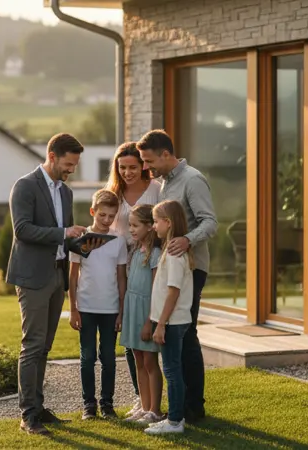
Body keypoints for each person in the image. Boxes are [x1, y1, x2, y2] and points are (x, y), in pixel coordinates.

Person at [7, 132, 102, 435]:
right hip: (33, 277)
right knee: (32, 345)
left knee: (45, 347)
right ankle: (27, 415)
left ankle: (38, 406)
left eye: (75, 165)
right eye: (69, 163)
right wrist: (63, 233)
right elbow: (22, 230)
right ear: (52, 155)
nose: (72, 169)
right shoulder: (24, 186)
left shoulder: (66, 193)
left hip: (56, 275)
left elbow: (67, 239)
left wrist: (86, 243)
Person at [137, 130, 217, 424]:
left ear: (166, 154)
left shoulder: (192, 179)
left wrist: (186, 240)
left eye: (149, 161)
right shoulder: (164, 184)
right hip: (173, 267)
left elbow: (210, 223)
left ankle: (193, 407)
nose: (147, 167)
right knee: (178, 337)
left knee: (186, 335)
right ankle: (183, 407)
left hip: (192, 269)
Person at [104, 141, 161, 417]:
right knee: (129, 335)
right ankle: (141, 397)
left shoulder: (156, 191)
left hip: (147, 260)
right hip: (122, 267)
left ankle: (152, 402)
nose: (127, 172)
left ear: (143, 166)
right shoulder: (113, 193)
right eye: (122, 167)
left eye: (133, 167)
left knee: (146, 347)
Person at [68, 189, 128, 420]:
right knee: (87, 357)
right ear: (92, 211)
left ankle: (107, 404)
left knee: (109, 358)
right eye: (102, 215)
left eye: (111, 216)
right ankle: (89, 406)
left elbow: (121, 277)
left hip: (111, 309)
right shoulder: (80, 241)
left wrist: (121, 311)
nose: (106, 220)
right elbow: (73, 277)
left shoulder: (118, 241)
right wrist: (73, 309)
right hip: (85, 308)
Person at [144, 200, 194, 435]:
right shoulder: (170, 250)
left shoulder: (173, 254)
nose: (153, 226)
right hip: (171, 322)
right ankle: (176, 418)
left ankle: (174, 421)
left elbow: (173, 291)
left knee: (172, 372)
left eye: (155, 221)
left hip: (172, 323)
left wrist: (161, 324)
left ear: (168, 223)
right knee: (174, 370)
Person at [119, 204, 164, 425]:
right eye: (130, 225)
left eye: (135, 225)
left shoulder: (155, 254)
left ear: (149, 226)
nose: (132, 229)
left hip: (147, 312)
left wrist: (150, 322)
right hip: (132, 309)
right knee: (138, 360)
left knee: (150, 362)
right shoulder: (136, 251)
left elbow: (156, 290)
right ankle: (144, 407)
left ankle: (155, 410)